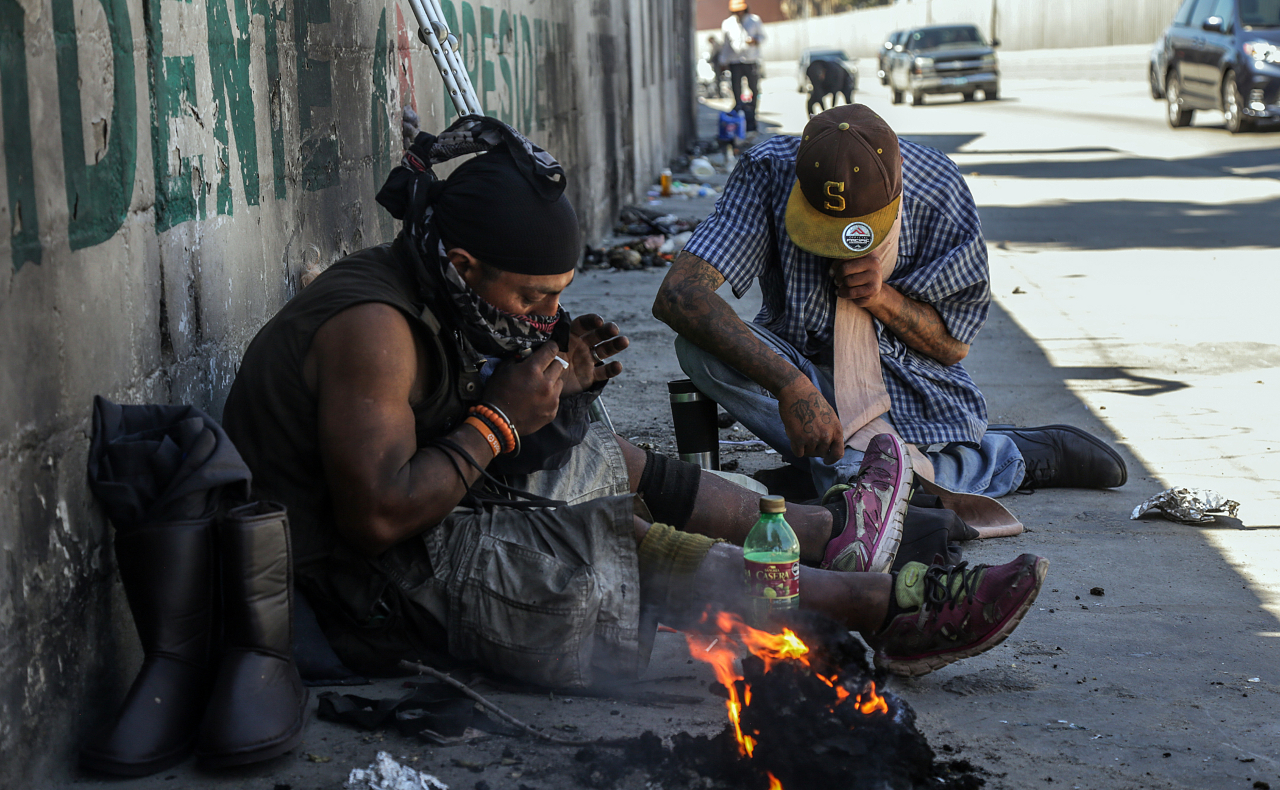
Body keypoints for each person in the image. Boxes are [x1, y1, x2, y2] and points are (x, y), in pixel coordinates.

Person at [222, 115, 1048, 684]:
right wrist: (501, 418)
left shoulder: (430, 280)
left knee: (595, 452)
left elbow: (470, 422)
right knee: (609, 543)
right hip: (357, 594)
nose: (544, 315)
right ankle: (872, 608)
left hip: (416, 534)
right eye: (530, 296)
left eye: (559, 296)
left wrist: (558, 381)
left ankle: (823, 535)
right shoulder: (374, 328)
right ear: (464, 265)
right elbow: (375, 519)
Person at [652, 104, 1126, 500]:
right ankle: (834, 469)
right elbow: (678, 295)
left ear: (897, 194)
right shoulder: (769, 170)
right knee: (696, 346)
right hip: (803, 368)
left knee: (864, 494)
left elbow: (952, 347)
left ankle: (1003, 458)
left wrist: (882, 299)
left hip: (907, 384)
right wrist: (791, 385)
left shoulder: (937, 190)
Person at [720, 0, 765, 134]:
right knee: (736, 88)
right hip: (735, 61)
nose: (739, 13)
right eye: (736, 11)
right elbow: (726, 45)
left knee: (754, 88)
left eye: (741, 10)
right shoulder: (727, 24)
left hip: (750, 60)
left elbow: (762, 37)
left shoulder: (754, 20)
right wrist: (723, 61)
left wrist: (755, 41)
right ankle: (739, 111)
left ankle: (752, 113)